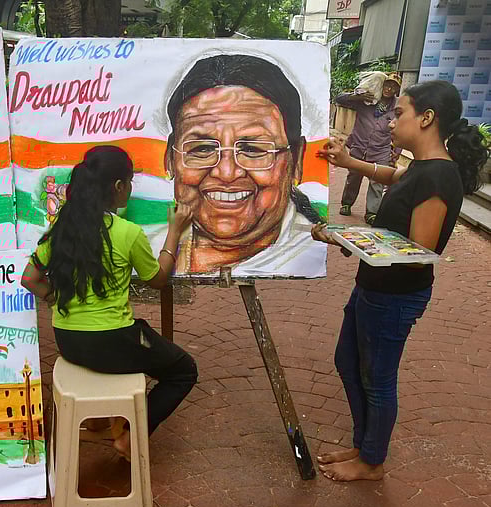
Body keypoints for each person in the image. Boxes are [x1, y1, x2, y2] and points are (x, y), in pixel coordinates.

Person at [312, 80, 489, 482]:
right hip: (373, 289)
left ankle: (372, 461)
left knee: (377, 379)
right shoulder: (424, 168)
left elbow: (417, 253)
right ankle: (363, 445)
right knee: (347, 362)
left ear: (427, 119)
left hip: (394, 298)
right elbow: (394, 177)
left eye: (400, 113)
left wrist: (346, 236)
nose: (391, 122)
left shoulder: (439, 178)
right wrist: (349, 163)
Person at [21, 146, 199, 459]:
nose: (130, 189)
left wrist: (58, 298)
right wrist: (174, 231)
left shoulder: (62, 228)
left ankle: (104, 421)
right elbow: (157, 279)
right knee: (183, 371)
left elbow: (30, 279)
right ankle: (130, 436)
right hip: (112, 343)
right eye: (129, 183)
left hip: (69, 341)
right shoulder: (127, 233)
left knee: (139, 335)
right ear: (118, 187)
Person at [163, 54, 326, 277]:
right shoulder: (147, 247)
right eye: (202, 149)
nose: (227, 173)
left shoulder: (306, 254)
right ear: (170, 158)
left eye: (253, 150)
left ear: (296, 160)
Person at [336, 72, 402, 224]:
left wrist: (397, 152)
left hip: (381, 150)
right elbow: (338, 99)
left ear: (397, 90)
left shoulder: (397, 107)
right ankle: (346, 203)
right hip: (359, 146)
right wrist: (356, 97)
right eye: (387, 84)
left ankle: (372, 212)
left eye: (394, 87)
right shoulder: (366, 100)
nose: (389, 88)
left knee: (377, 182)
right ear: (382, 84)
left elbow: (401, 126)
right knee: (353, 177)